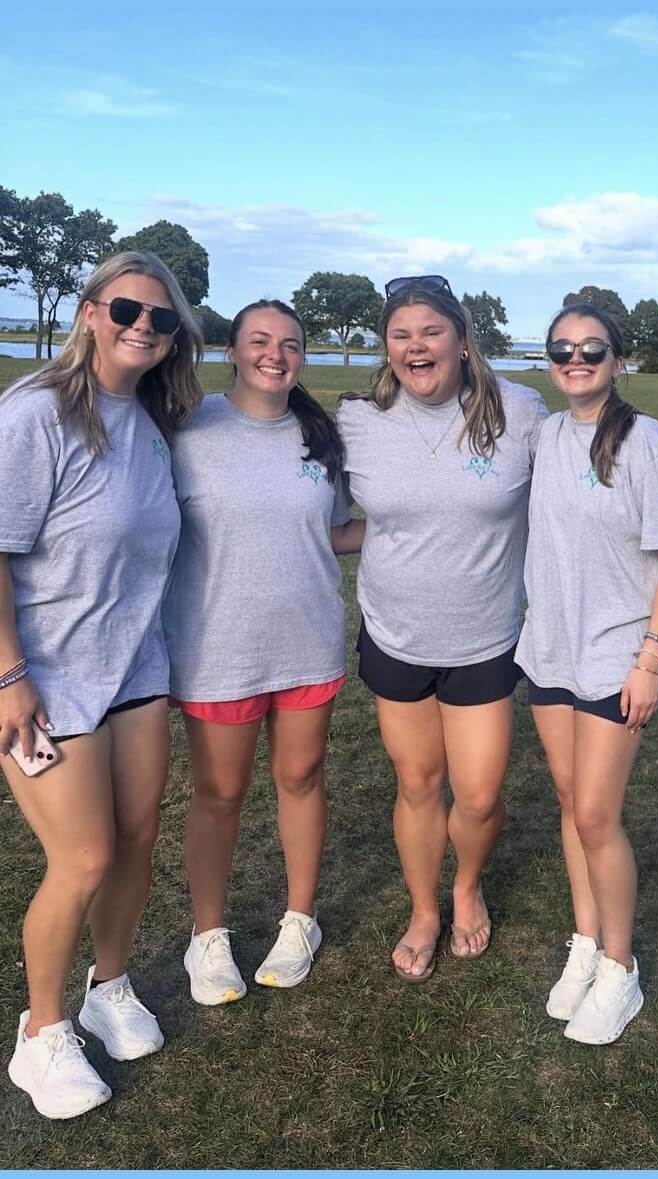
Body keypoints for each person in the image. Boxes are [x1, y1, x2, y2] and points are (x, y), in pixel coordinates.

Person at [0, 251, 202, 1118]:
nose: (142, 327)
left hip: (135, 672)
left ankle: (107, 985)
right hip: (42, 682)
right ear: (90, 312)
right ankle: (41, 1032)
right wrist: (9, 676)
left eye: (161, 319)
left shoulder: (151, 422)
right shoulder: (36, 414)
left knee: (136, 839)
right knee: (83, 856)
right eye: (126, 309)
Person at [336, 275, 547, 982]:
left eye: (430, 331)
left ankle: (467, 886)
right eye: (400, 335)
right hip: (395, 634)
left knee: (479, 795)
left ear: (461, 339)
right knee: (419, 782)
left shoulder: (519, 411)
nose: (415, 346)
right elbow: (324, 516)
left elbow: (566, 506)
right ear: (386, 346)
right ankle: (426, 909)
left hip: (485, 638)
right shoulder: (358, 418)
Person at [163, 300, 362, 1006]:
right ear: (233, 350)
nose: (275, 354)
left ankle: (300, 920)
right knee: (219, 792)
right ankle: (207, 933)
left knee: (301, 777)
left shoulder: (321, 436)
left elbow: (334, 532)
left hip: (306, 640)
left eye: (290, 343)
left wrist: (417, 525)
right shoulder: (189, 429)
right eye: (259, 341)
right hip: (217, 646)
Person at [515, 303, 658, 1045]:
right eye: (562, 349)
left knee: (595, 814)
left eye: (592, 349)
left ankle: (620, 968)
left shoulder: (643, 439)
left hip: (618, 654)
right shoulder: (544, 434)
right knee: (569, 800)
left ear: (618, 361)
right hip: (549, 648)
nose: (576, 360)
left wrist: (650, 658)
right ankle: (585, 943)